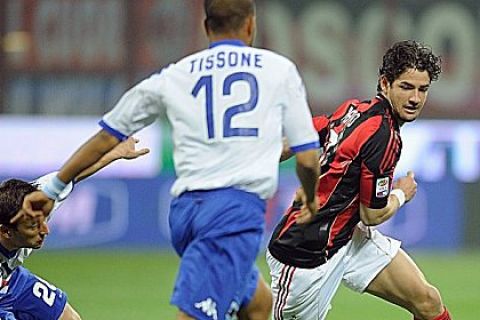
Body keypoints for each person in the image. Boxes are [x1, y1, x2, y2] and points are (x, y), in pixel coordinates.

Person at [21, 1, 321, 319]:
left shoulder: (176, 75)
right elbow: (307, 158)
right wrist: (311, 197)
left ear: (207, 27)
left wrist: (53, 188)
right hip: (232, 214)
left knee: (259, 305)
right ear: (251, 25)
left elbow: (107, 136)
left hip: (184, 214)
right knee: (196, 314)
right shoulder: (278, 71)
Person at [267, 40, 451, 320]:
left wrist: (260, 158)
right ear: (385, 84)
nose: (415, 98)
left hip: (346, 237)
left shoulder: (354, 109)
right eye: (406, 87)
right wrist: (402, 194)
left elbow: (302, 135)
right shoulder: (383, 135)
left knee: (427, 302)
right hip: (305, 256)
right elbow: (372, 214)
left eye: (422, 89)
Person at [0, 137, 149, 320]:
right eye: (32, 227)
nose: (45, 230)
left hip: (12, 279)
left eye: (43, 220)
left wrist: (112, 154)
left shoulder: (35, 203)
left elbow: (73, 174)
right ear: (6, 231)